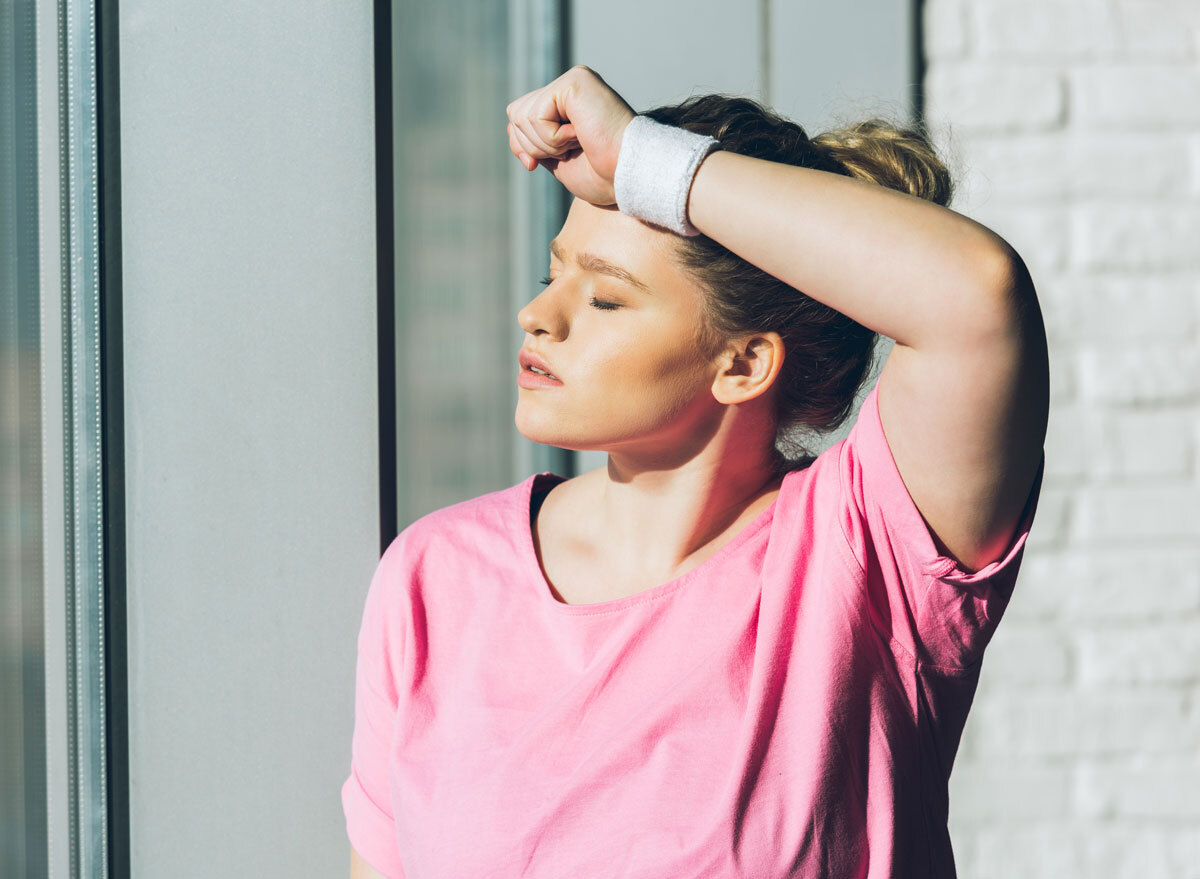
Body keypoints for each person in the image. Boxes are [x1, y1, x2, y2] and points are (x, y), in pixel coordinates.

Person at [344, 65, 1049, 878]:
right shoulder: (436, 579)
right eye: (553, 273)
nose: (539, 315)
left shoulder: (863, 564)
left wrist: (646, 161)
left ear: (744, 363)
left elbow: (976, 298)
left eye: (605, 299)